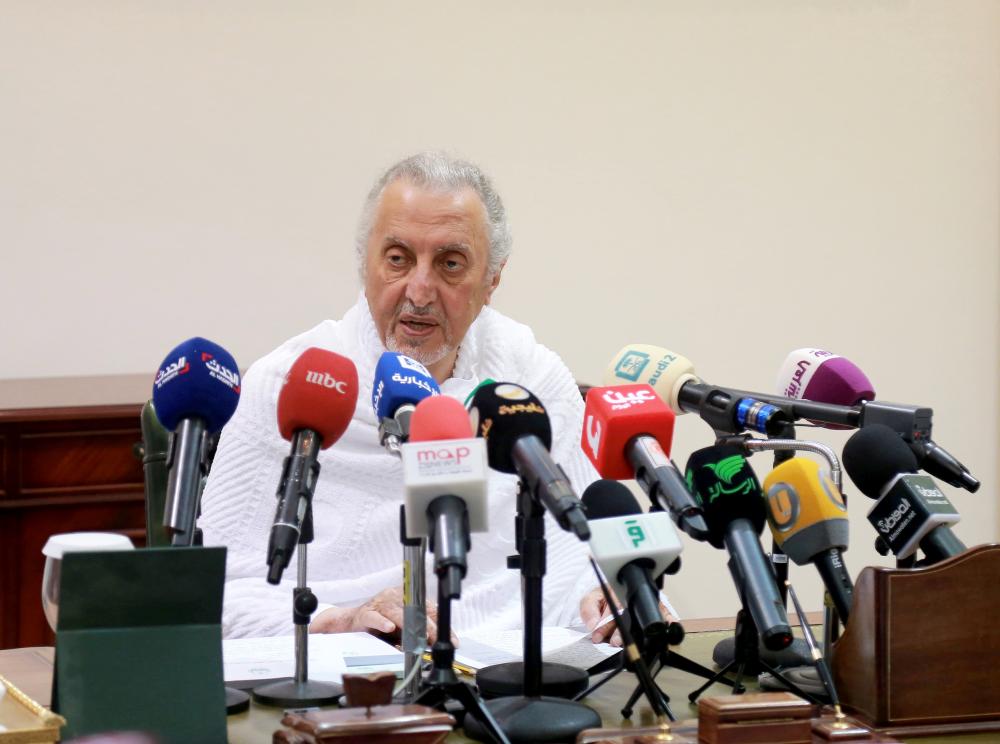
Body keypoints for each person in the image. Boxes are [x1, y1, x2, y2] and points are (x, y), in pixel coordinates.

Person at [199, 151, 673, 645]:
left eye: (450, 264)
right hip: (345, 666)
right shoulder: (288, 384)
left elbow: (580, 551)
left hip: (512, 663)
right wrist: (339, 620)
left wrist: (608, 593)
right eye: (398, 259)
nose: (420, 291)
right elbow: (218, 591)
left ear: (493, 279)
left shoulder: (530, 376)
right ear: (365, 264)